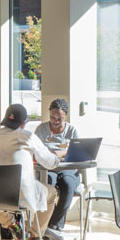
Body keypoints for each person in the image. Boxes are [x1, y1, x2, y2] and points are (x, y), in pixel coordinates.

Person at [0, 104, 60, 240]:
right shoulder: (27, 136)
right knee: (51, 193)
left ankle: (12, 224)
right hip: (20, 194)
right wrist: (58, 157)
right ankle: (34, 238)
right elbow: (50, 163)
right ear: (24, 123)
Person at [34, 98, 80, 232]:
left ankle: (54, 226)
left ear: (65, 116)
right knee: (47, 185)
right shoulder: (41, 129)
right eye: (52, 117)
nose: (55, 121)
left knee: (68, 185)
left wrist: (63, 154)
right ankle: (44, 224)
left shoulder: (72, 130)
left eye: (59, 118)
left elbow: (77, 152)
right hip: (47, 168)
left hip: (68, 169)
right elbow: (36, 150)